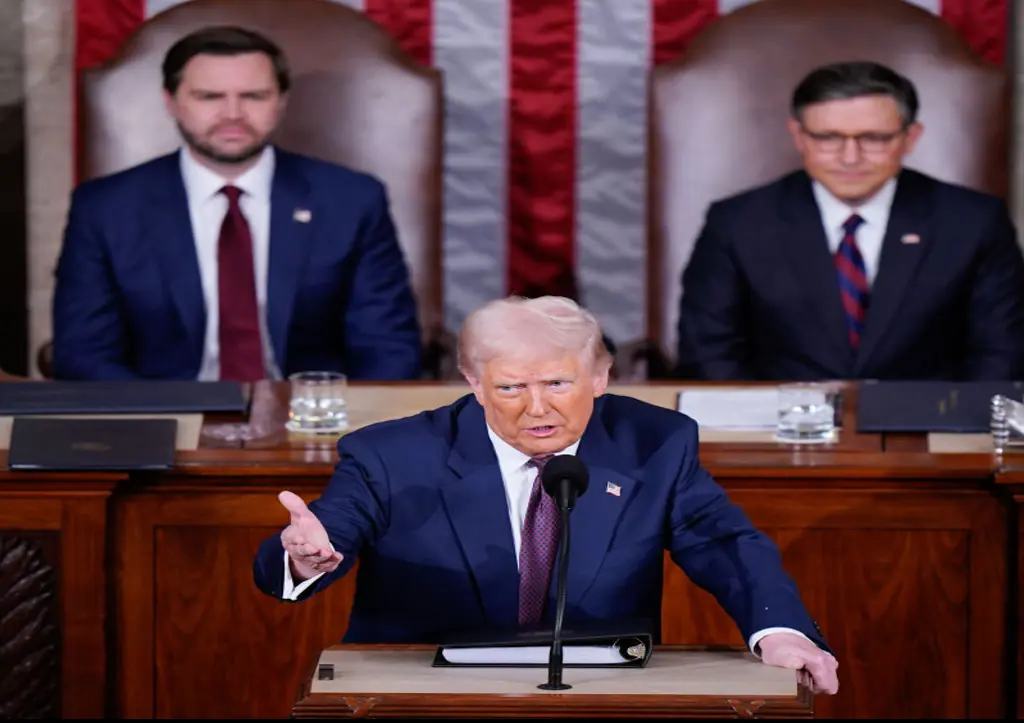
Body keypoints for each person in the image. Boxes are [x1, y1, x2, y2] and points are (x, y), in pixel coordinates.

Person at [253, 295, 840, 695]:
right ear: (474, 384)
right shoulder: (391, 453)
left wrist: (779, 630)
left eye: (559, 383)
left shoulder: (654, 443)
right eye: (510, 387)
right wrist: (303, 556)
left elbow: (724, 542)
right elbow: (329, 529)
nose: (538, 408)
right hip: (427, 696)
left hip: (599, 695)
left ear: (601, 377)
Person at [52, 25, 422, 382]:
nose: (232, 114)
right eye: (209, 97)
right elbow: (84, 353)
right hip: (164, 421)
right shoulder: (104, 208)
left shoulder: (351, 200)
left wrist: (340, 423)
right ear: (171, 102)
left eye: (254, 96)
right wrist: (162, 420)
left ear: (281, 102)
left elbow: (388, 347)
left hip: (313, 422)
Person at [675, 60, 1024, 381]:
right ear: (799, 136)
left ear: (910, 138)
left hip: (927, 431)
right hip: (778, 431)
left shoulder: (973, 221)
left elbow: (1000, 353)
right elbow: (709, 353)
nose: (850, 157)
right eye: (828, 138)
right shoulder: (737, 222)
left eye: (873, 138)